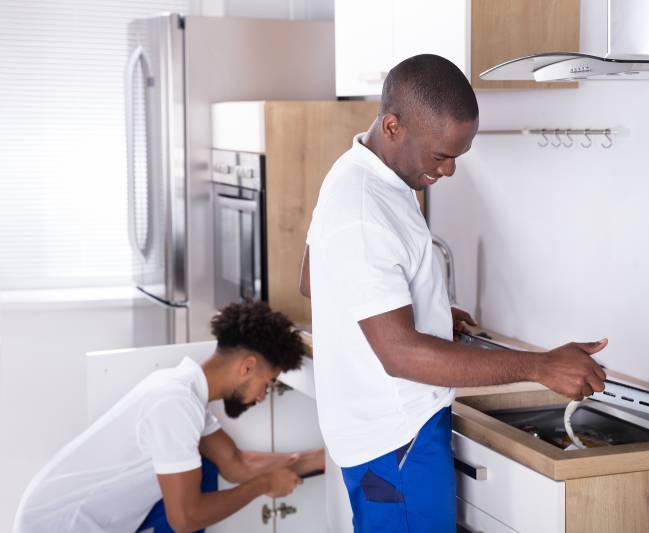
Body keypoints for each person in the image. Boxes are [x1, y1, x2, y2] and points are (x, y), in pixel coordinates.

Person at [300, 54, 608, 532]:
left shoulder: (358, 173)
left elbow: (313, 278)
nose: (448, 172)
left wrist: (425, 311)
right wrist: (540, 365)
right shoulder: (364, 208)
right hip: (398, 440)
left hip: (380, 435)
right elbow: (401, 355)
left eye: (457, 157)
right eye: (440, 156)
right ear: (393, 126)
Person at [13, 301, 324, 533]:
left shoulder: (184, 393)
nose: (260, 396)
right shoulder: (174, 404)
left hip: (70, 521)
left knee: (201, 470)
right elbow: (186, 517)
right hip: (60, 526)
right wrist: (263, 485)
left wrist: (324, 458)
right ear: (246, 367)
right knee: (190, 496)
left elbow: (236, 464)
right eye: (265, 384)